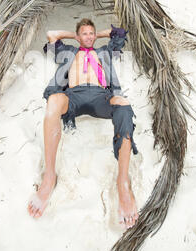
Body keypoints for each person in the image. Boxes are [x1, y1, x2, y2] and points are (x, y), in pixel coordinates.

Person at [27, 18, 139, 229]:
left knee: (123, 105)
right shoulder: (69, 52)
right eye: (84, 34)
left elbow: (120, 32)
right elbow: (52, 34)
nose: (88, 37)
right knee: (53, 102)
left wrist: (98, 35)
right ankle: (49, 176)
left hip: (101, 96)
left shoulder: (105, 53)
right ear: (78, 36)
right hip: (73, 96)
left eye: (91, 33)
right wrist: (75, 36)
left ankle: (123, 183)